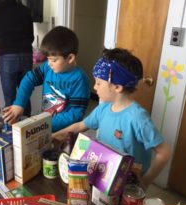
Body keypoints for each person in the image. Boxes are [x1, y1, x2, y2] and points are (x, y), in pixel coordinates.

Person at [52, 48, 172, 189]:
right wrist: (53, 136)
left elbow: (164, 152)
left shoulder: (138, 118)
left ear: (117, 87)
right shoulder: (103, 109)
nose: (94, 87)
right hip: (102, 176)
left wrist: (145, 181)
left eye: (98, 82)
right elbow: (79, 126)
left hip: (127, 185)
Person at [3, 26, 91, 132]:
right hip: (43, 127)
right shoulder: (48, 67)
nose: (49, 63)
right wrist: (19, 104)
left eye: (53, 60)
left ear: (70, 58)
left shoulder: (79, 79)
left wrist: (45, 123)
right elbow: (29, 79)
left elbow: (76, 114)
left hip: (64, 134)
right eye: (48, 59)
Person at [0, 0, 34, 115]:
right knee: (25, 93)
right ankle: (28, 126)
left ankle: (13, 129)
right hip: (27, 55)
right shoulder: (25, 9)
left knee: (10, 96)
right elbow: (31, 37)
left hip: (8, 56)